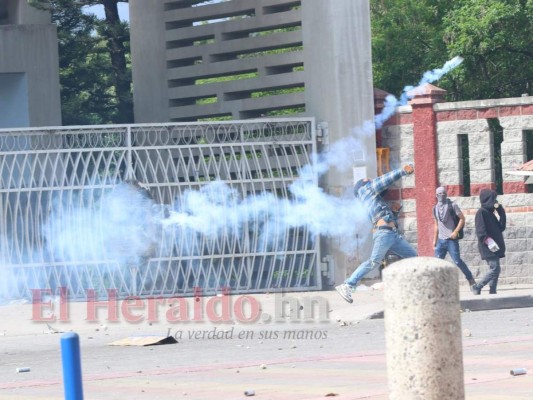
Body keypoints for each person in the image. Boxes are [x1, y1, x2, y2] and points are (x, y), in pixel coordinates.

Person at [336, 164, 418, 303]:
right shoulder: (366, 190)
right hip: (384, 235)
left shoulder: (374, 200)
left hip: (392, 235)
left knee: (415, 258)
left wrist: (395, 213)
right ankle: (348, 285)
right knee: (374, 261)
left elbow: (387, 220)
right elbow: (385, 180)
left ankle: (413, 287)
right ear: (364, 184)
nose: (372, 180)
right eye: (369, 179)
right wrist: (403, 171)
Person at [432, 187, 476, 288]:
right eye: (439, 194)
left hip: (451, 240)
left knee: (457, 261)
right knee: (437, 264)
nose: (441, 196)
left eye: (443, 193)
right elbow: (436, 224)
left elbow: (462, 219)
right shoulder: (434, 208)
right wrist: (434, 239)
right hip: (441, 240)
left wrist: (455, 231)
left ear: (446, 194)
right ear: (436, 195)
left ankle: (470, 279)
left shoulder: (453, 205)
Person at [471, 188, 506, 295]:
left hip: (494, 246)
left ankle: (493, 291)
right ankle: (477, 287)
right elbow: (481, 232)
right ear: (488, 200)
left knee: (495, 268)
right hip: (488, 246)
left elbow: (501, 227)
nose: (495, 202)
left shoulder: (490, 213)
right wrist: (490, 244)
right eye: (493, 199)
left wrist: (501, 212)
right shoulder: (481, 212)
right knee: (495, 269)